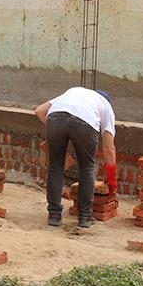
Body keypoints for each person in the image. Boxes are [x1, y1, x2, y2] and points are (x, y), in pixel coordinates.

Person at [33, 87, 117, 228]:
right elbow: (109, 149)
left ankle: (54, 215)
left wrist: (56, 132)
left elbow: (39, 110)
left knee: (55, 166)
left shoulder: (74, 91)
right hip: (85, 123)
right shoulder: (106, 106)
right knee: (87, 168)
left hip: (55, 118)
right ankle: (85, 216)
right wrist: (112, 181)